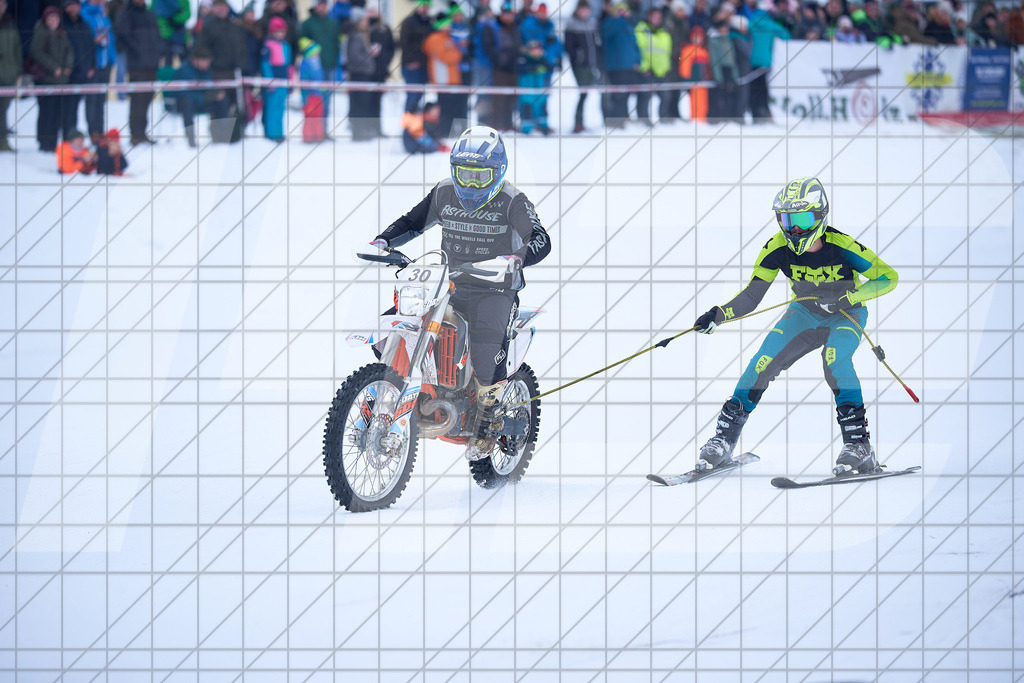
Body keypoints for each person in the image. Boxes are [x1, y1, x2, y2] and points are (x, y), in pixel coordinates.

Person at [692, 177, 899, 476]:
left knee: (835, 359)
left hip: (847, 314)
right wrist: (718, 314)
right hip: (803, 314)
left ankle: (859, 446)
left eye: (802, 219)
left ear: (819, 215)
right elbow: (752, 295)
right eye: (787, 220)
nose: (795, 229)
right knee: (760, 364)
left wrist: (850, 296)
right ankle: (724, 440)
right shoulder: (776, 247)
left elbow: (888, 277)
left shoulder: (842, 245)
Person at [370, 126, 551, 461]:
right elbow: (413, 221)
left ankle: (485, 422)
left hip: (494, 289)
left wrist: (517, 258)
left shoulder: (513, 200)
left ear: (498, 172)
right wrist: (385, 240)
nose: (470, 184)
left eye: (479, 177)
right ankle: (386, 392)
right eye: (464, 174)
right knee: (390, 326)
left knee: (484, 351)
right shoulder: (444, 194)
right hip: (447, 284)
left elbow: (540, 238)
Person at [114, 0, 160, 144]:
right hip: (136, 64)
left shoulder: (149, 12)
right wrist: (140, 51)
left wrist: (158, 54)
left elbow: (156, 36)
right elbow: (124, 36)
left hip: (151, 64)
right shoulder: (126, 13)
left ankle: (142, 132)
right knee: (138, 99)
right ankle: (135, 134)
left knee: (147, 97)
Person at [31, 6, 74, 152]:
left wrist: (68, 66)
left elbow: (69, 51)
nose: (53, 21)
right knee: (46, 113)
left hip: (60, 80)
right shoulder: (41, 32)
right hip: (45, 80)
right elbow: (36, 52)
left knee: (57, 113)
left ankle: (53, 142)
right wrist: (53, 67)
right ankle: (44, 143)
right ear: (45, 20)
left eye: (55, 18)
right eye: (50, 18)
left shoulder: (62, 33)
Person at [172, 45, 229, 146]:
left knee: (222, 100)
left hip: (202, 102)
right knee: (187, 102)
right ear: (195, 60)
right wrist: (206, 97)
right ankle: (191, 139)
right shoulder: (184, 70)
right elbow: (180, 93)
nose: (207, 63)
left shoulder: (208, 71)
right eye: (205, 60)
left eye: (208, 61)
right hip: (186, 104)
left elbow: (209, 87)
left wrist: (216, 94)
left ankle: (220, 135)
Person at [424, 14, 467, 138]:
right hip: (443, 79)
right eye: (447, 24)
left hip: (452, 79)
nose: (450, 26)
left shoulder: (447, 38)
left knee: (452, 106)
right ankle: (443, 131)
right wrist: (459, 54)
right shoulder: (435, 39)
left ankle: (450, 131)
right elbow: (444, 56)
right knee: (445, 108)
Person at [80, 0, 117, 142]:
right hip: (93, 65)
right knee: (92, 101)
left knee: (101, 101)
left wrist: (112, 59)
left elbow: (111, 38)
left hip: (106, 64)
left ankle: (100, 131)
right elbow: (82, 41)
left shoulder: (104, 15)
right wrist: (93, 41)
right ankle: (93, 132)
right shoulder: (84, 15)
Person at [601, 1, 640, 128]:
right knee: (617, 95)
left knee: (626, 94)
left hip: (629, 66)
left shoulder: (629, 26)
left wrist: (637, 61)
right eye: (619, 11)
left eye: (624, 11)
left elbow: (635, 46)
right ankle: (614, 120)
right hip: (615, 66)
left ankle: (623, 117)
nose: (623, 13)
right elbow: (606, 34)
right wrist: (620, 18)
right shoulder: (610, 23)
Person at [564, 0, 600, 133]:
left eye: (587, 10)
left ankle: (581, 122)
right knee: (583, 92)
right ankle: (578, 122)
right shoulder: (572, 24)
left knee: (586, 93)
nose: (585, 12)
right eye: (582, 9)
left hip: (592, 64)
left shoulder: (592, 23)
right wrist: (578, 59)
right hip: (580, 66)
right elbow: (569, 46)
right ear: (577, 10)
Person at [62, 0, 95, 142]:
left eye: (75, 5)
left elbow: (90, 47)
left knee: (77, 109)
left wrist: (91, 66)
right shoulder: (62, 25)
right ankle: (67, 138)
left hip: (83, 73)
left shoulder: (84, 25)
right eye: (70, 5)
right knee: (67, 111)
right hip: (67, 75)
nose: (73, 8)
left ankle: (74, 138)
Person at [634, 6, 671, 125]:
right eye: (654, 16)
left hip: (661, 69)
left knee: (666, 96)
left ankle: (663, 117)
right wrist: (643, 67)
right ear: (648, 17)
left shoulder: (663, 31)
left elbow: (666, 52)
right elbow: (640, 49)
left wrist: (666, 68)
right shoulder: (641, 29)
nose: (657, 19)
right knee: (645, 96)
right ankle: (643, 119)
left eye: (659, 17)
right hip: (647, 69)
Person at [398, 0, 433, 113]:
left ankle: (415, 127)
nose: (425, 8)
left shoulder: (429, 23)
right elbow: (405, 44)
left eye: (427, 6)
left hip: (424, 66)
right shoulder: (408, 22)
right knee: (413, 96)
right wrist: (411, 61)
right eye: (423, 6)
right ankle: (407, 127)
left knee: (419, 96)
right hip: (412, 67)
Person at [260, 16, 291, 142]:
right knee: (271, 108)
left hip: (283, 81)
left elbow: (288, 65)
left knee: (280, 108)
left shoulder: (286, 46)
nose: (281, 34)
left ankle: (279, 132)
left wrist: (290, 81)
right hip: (273, 82)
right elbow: (265, 64)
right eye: (278, 31)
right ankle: (271, 133)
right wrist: (269, 81)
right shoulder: (268, 45)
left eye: (283, 31)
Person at [0, 0, 21, 152]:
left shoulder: (10, 23)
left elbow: (17, 49)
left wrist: (17, 71)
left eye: (2, 4)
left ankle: (2, 141)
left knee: (3, 109)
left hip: (8, 75)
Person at [517, 38, 550, 134]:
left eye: (538, 49)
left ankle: (543, 126)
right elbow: (520, 69)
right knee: (527, 109)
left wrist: (541, 68)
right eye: (533, 49)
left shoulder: (543, 60)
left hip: (540, 91)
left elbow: (549, 68)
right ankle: (526, 128)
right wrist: (532, 68)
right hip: (527, 91)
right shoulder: (523, 59)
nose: (536, 52)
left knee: (542, 109)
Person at [297, 37, 326, 141]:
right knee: (309, 116)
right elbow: (303, 81)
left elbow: (321, 78)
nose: (317, 55)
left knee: (318, 117)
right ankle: (308, 137)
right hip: (309, 96)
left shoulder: (317, 63)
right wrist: (305, 95)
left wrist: (323, 90)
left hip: (318, 96)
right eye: (315, 52)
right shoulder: (305, 64)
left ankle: (317, 136)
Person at [678, 25, 708, 122]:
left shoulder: (704, 50)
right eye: (695, 36)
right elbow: (684, 66)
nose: (697, 39)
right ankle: (695, 119)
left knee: (703, 102)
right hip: (693, 81)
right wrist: (686, 79)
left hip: (703, 82)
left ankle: (702, 119)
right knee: (694, 102)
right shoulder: (687, 49)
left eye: (699, 37)